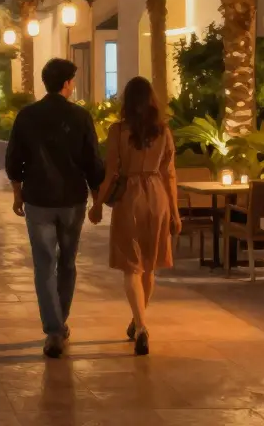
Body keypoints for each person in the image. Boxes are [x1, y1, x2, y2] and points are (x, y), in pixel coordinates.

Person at [5, 58, 104, 359]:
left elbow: (14, 159)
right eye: (72, 80)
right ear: (66, 84)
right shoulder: (80, 117)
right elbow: (92, 163)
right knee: (68, 262)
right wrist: (98, 199)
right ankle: (60, 324)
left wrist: (17, 193)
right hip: (72, 201)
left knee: (44, 265)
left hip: (38, 200)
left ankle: (53, 330)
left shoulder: (27, 116)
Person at [90, 76, 178, 357]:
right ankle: (138, 321)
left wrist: (97, 204)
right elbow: (170, 174)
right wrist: (175, 213)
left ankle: (141, 326)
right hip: (157, 195)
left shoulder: (119, 131)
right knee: (149, 267)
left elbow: (111, 172)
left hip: (130, 196)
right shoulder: (163, 131)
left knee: (132, 266)